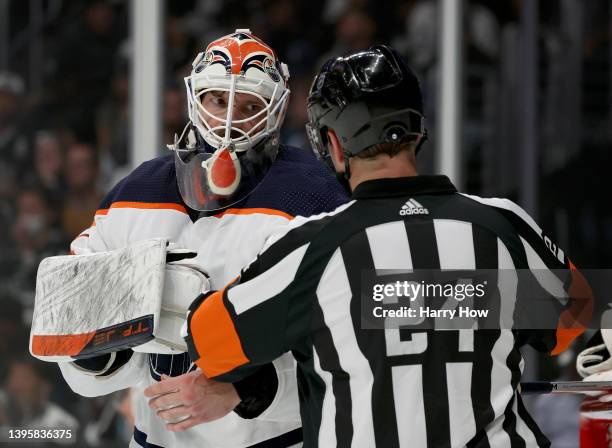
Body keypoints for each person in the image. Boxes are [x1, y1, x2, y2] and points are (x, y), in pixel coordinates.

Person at [173, 45, 589, 446]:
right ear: (417, 130)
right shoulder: (502, 225)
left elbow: (210, 343)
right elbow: (575, 319)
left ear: (334, 145)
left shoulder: (312, 249)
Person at [54, 29, 347, 448]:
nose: (230, 119)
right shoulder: (133, 194)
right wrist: (95, 352)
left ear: (275, 111)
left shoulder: (314, 198)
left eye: (249, 105)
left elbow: (346, 348)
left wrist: (245, 390)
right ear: (196, 98)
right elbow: (78, 330)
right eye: (218, 100)